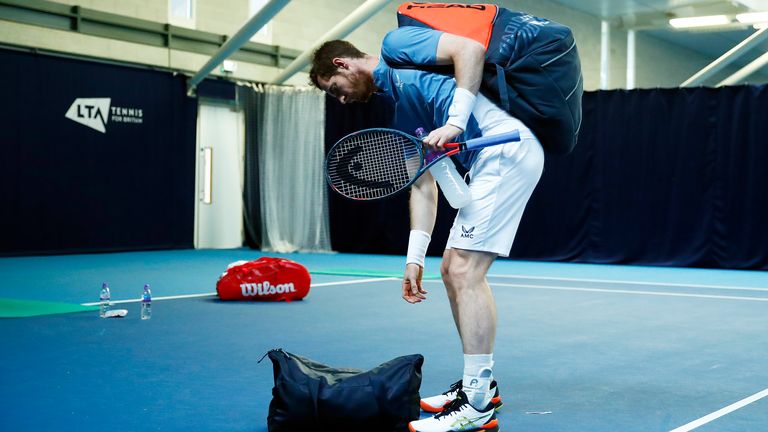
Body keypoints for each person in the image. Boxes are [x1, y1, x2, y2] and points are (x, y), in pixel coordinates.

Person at [310, 4, 581, 431]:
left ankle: (476, 405)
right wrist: (413, 258)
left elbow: (470, 48)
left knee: (465, 271)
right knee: (452, 270)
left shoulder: (395, 45)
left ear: (343, 62)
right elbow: (423, 185)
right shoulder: (403, 109)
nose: (341, 98)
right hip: (491, 157)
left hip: (506, 150)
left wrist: (455, 123)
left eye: (335, 87)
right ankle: (481, 387)